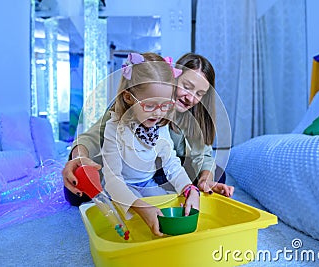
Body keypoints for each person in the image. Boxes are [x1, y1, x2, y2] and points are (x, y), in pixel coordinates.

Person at [62, 52, 234, 206]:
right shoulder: (132, 108)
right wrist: (80, 157)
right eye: (187, 87)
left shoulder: (191, 118)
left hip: (164, 170)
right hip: (129, 169)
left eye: (199, 94)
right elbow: (93, 136)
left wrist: (205, 180)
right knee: (77, 189)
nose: (190, 98)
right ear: (173, 79)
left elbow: (200, 156)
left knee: (218, 174)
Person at [101, 52, 199, 236]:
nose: (158, 113)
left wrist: (190, 189)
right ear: (128, 98)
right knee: (132, 222)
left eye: (165, 105)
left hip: (148, 183)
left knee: (167, 214)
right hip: (121, 186)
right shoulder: (114, 128)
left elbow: (172, 165)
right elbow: (113, 180)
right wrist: (140, 206)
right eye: (150, 105)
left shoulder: (160, 127)